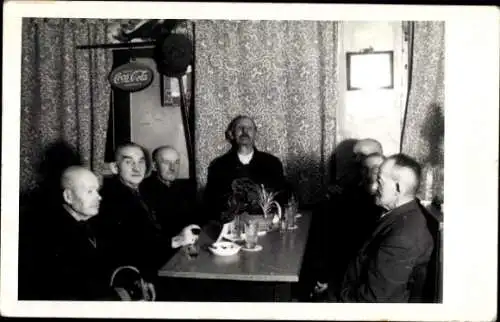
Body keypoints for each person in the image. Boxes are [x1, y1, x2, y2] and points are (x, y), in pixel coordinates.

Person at [27, 166, 153, 300]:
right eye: (89, 192)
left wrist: (140, 281)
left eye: (97, 191)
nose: (99, 197)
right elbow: (68, 291)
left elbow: (116, 258)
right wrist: (122, 297)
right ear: (68, 196)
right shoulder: (50, 233)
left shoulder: (95, 220)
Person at [320, 154, 434, 302]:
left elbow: (373, 300)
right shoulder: (399, 215)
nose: (374, 187)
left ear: (398, 188)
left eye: (379, 182)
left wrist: (333, 293)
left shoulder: (402, 237)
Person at [93, 142, 166, 279]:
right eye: (129, 162)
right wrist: (174, 241)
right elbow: (130, 247)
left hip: (153, 264)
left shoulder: (146, 191)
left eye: (141, 162)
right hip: (132, 274)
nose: (137, 168)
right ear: (115, 167)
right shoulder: (109, 198)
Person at [204, 115, 288, 222]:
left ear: (255, 133)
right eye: (240, 128)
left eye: (249, 128)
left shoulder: (272, 163)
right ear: (231, 134)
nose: (244, 131)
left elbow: (281, 197)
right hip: (232, 228)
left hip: (265, 224)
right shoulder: (219, 166)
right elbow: (210, 202)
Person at [140, 145, 201, 259]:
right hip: (161, 254)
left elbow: (195, 218)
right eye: (166, 162)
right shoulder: (143, 190)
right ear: (154, 166)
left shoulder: (184, 188)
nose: (173, 168)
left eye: (176, 162)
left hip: (185, 247)